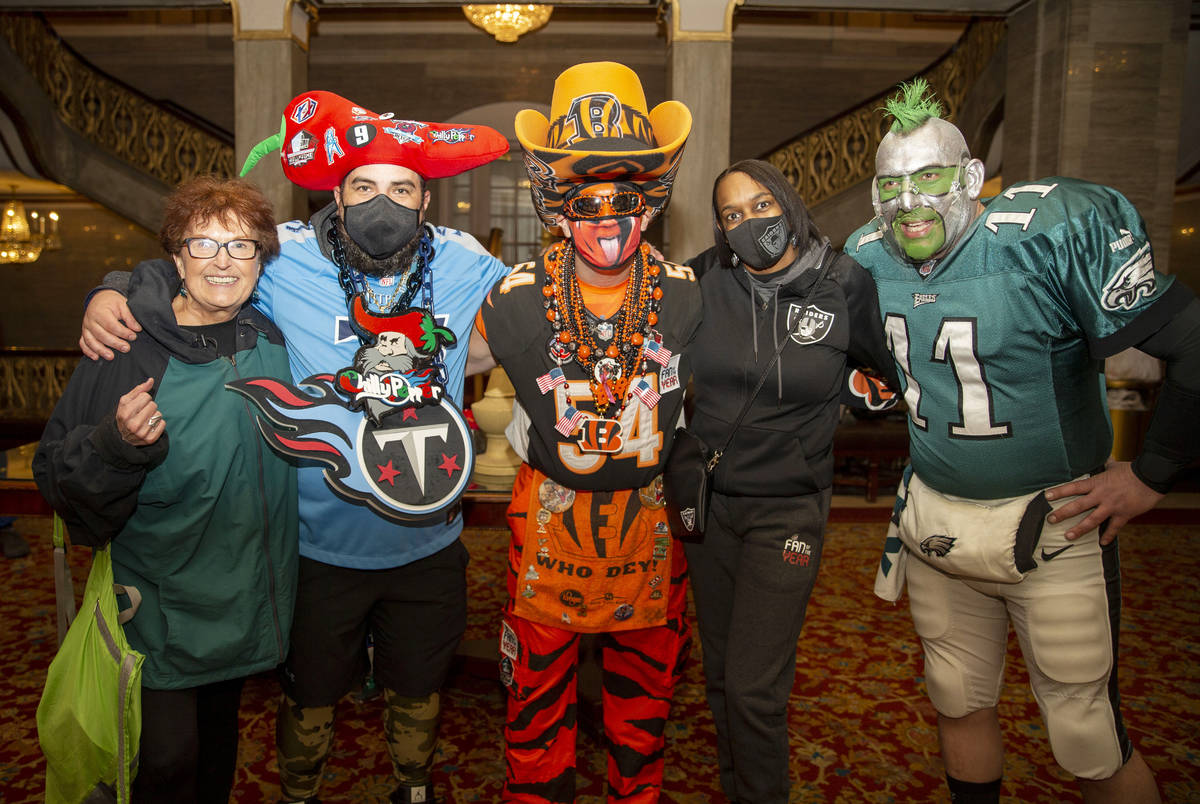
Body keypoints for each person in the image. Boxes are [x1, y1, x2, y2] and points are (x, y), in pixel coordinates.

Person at [78, 91, 511, 804]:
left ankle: (414, 787)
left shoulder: (464, 260)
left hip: (429, 541)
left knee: (419, 688)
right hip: (312, 547)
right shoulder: (285, 257)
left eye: (401, 189)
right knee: (309, 693)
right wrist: (115, 286)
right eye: (364, 187)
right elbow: (200, 270)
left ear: (425, 201)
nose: (383, 203)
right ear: (336, 195)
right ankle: (298, 794)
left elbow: (539, 303)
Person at [849, 80, 1200, 804]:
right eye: (890, 184)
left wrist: (1151, 473)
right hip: (936, 523)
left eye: (929, 177)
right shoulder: (867, 255)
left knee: (1086, 733)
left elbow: (1193, 345)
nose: (908, 201)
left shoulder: (1049, 232)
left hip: (1055, 524)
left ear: (972, 176)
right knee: (956, 699)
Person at [467, 61, 700, 803]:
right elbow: (440, 362)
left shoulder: (689, 297)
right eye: (585, 200)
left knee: (644, 707)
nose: (605, 218)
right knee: (534, 702)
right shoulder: (513, 298)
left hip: (647, 525)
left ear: (649, 207)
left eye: (623, 199)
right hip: (548, 523)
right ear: (558, 211)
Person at [35, 175, 298, 803]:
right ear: (177, 260)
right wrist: (116, 445)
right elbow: (55, 473)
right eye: (203, 244)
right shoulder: (128, 345)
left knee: (218, 751)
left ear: (260, 261)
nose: (222, 261)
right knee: (166, 762)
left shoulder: (271, 339)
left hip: (245, 595)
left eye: (240, 245)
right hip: (160, 600)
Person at [682, 159, 898, 804]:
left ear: (789, 202)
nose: (749, 223)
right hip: (707, 506)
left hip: (788, 511)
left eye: (761, 205)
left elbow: (885, 375)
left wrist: (845, 390)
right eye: (731, 214)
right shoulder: (703, 278)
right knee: (720, 674)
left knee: (754, 686)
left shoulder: (844, 282)